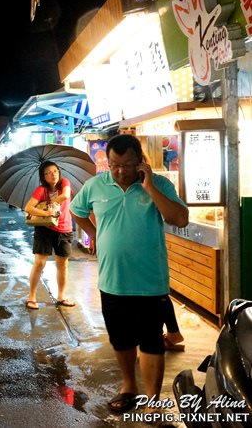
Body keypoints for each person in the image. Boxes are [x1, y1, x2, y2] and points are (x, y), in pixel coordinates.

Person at [70, 134, 189, 415]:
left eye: (127, 165)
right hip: (112, 281)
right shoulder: (95, 185)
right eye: (114, 165)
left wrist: (149, 188)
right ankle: (128, 387)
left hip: (150, 282)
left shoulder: (159, 184)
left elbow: (180, 218)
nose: (120, 171)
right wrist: (94, 234)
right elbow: (77, 211)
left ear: (141, 163)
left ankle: (152, 401)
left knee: (151, 342)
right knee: (121, 341)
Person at [24, 160, 74, 310]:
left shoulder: (65, 182)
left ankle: (61, 296)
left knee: (62, 264)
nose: (52, 174)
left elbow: (65, 196)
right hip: (44, 229)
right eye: (48, 173)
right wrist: (46, 212)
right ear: (43, 176)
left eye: (55, 171)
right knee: (39, 263)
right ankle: (32, 297)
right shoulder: (41, 190)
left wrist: (51, 203)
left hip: (64, 228)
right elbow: (29, 208)